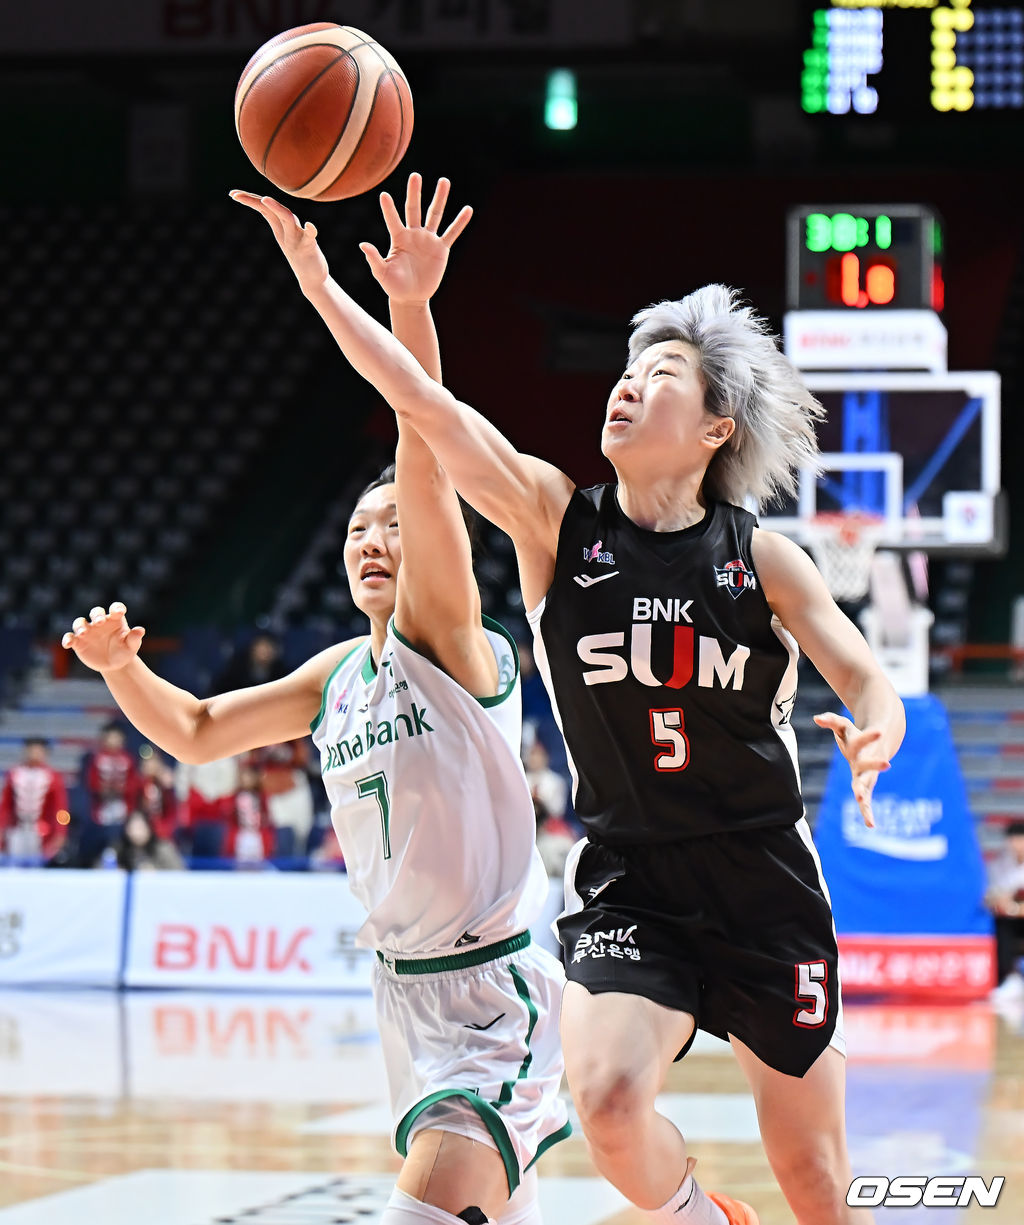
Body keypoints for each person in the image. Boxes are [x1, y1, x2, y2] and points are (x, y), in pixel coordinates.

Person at [228, 181, 906, 1225]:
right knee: (607, 1103)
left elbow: (862, 673)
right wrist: (332, 286)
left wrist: (876, 729)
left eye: (662, 375)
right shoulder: (556, 520)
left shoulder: (761, 559)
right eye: (627, 370)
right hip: (633, 876)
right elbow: (424, 408)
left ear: (715, 427)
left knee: (814, 1177)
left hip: (763, 877)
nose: (628, 385)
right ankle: (703, 1217)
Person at [65, 176, 569, 1225]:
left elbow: (422, 437)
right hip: (402, 994)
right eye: (356, 531)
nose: (374, 539)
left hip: (490, 996)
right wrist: (121, 671)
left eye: (393, 524)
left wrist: (398, 302)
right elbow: (196, 732)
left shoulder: (451, 642)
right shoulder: (335, 675)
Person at [0, 737, 68, 862]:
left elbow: (60, 808)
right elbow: (5, 805)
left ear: (45, 753)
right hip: (16, 830)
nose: (34, 754)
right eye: (31, 750)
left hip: (43, 831)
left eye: (38, 751)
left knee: (37, 866)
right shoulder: (14, 774)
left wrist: (60, 832)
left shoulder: (53, 776)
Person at [986, 820, 1024, 1002]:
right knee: (1001, 926)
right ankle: (1009, 979)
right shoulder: (1000, 865)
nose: (1016, 845)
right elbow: (992, 895)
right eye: (1012, 840)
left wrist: (1015, 908)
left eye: (1020, 840)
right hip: (1011, 920)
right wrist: (1000, 903)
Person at [106, 808, 185, 872]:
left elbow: (180, 872)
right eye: (133, 828)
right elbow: (102, 867)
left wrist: (157, 871)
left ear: (149, 828)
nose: (136, 833)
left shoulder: (164, 849)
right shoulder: (118, 849)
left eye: (140, 828)